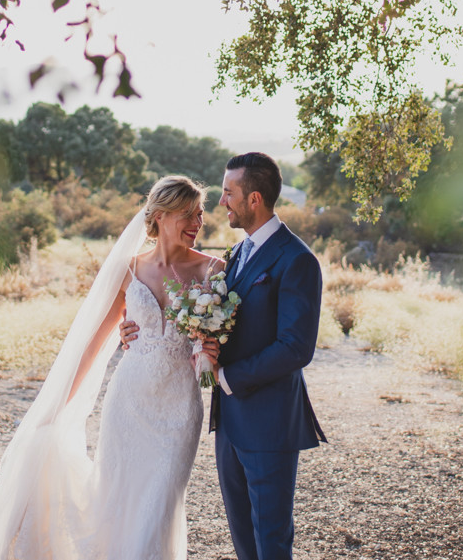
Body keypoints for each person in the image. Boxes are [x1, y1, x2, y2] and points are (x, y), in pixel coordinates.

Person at [0, 175, 223, 560]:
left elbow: (226, 334)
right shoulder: (128, 271)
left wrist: (213, 348)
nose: (198, 224)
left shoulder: (212, 270)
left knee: (161, 505)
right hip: (128, 404)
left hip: (178, 409)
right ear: (161, 216)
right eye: (189, 214)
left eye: (200, 215)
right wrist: (56, 407)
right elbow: (92, 344)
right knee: (117, 503)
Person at [122, 151, 325, 560]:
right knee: (244, 541)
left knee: (271, 541)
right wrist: (137, 333)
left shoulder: (297, 260)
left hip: (268, 424)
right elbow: (213, 323)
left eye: (228, 193)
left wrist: (226, 377)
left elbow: (296, 348)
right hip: (228, 422)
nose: (221, 203)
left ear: (253, 199)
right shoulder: (237, 256)